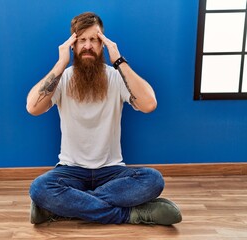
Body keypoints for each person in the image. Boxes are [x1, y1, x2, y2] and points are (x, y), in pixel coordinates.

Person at [26, 12, 182, 225]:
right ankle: (131, 214)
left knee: (153, 180)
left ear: (103, 45)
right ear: (72, 45)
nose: (88, 45)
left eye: (94, 40)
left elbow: (149, 104)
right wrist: (60, 64)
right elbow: (32, 107)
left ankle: (64, 209)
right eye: (81, 40)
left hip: (112, 172)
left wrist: (118, 59)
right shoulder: (63, 79)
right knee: (39, 188)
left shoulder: (116, 77)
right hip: (70, 171)